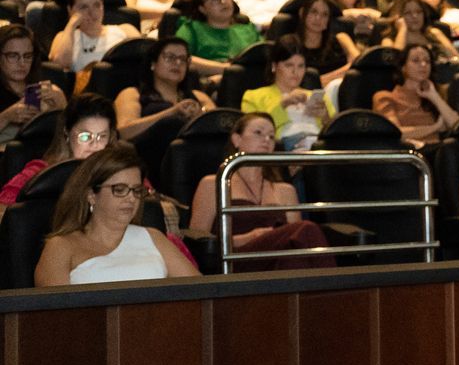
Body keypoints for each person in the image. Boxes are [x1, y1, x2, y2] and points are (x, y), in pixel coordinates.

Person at [35, 143, 199, 285]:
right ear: (91, 195)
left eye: (136, 190)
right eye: (119, 190)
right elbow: (56, 310)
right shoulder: (60, 246)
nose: (131, 198)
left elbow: (199, 293)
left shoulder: (153, 237)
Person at [187, 112, 335, 270]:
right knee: (306, 229)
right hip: (235, 259)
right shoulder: (214, 183)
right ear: (237, 139)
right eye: (258, 133)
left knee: (294, 258)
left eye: (271, 136)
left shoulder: (286, 190)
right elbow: (198, 241)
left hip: (276, 261)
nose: (266, 140)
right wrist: (249, 237)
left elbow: (298, 242)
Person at [0, 93, 116, 205]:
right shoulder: (39, 172)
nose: (95, 145)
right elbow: (4, 207)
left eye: (102, 136)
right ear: (67, 134)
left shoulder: (116, 173)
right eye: (85, 136)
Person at [112, 36, 213, 139]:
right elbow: (123, 132)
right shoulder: (133, 94)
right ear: (153, 63)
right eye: (170, 57)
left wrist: (200, 113)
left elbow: (217, 123)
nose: (178, 63)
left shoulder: (199, 96)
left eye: (183, 59)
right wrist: (173, 112)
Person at [241, 36, 331, 150]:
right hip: (282, 151)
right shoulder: (253, 97)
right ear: (274, 66)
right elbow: (255, 133)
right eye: (289, 65)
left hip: (318, 148)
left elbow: (335, 133)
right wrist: (282, 105)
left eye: (301, 66)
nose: (295, 72)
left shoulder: (320, 98)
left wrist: (325, 119)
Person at [373, 42, 459, 146]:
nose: (423, 65)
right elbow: (395, 133)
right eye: (416, 60)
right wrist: (435, 127)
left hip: (438, 149)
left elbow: (457, 126)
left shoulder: (436, 94)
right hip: (409, 152)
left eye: (427, 61)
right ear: (403, 67)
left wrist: (434, 96)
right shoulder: (385, 97)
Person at [174, 0, 262, 79]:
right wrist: (225, 69)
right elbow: (178, 56)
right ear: (202, 9)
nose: (223, 1)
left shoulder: (247, 28)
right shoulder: (192, 28)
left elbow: (265, 57)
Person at [48, 0, 137, 74]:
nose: (92, 12)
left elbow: (144, 58)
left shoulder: (126, 30)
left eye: (97, 5)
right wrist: (71, 25)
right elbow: (59, 65)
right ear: (70, 10)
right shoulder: (63, 37)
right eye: (83, 7)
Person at [0, 25, 67, 147]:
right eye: (13, 56)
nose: (22, 63)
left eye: (27, 56)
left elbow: (71, 134)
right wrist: (6, 117)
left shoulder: (43, 88)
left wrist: (63, 105)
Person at [283, 0, 359, 89]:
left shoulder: (341, 38)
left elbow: (358, 63)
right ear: (302, 13)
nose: (318, 18)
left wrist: (320, 81)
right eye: (313, 12)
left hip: (343, 90)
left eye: (325, 14)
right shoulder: (290, 43)